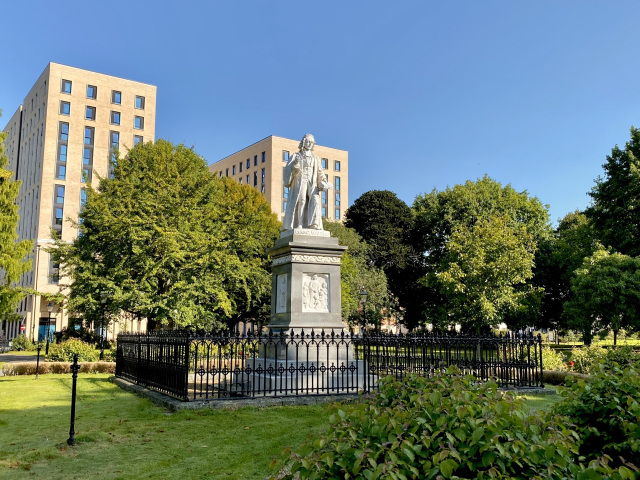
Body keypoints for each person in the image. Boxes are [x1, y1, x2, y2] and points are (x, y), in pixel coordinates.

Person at [282, 134, 332, 230]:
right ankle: (299, 224)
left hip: (312, 182)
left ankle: (314, 224)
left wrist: (324, 183)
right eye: (308, 141)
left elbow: (320, 172)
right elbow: (289, 170)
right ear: (303, 142)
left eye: (311, 142)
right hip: (300, 181)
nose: (309, 144)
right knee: (302, 201)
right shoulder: (296, 156)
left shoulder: (315, 158)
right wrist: (295, 163)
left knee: (315, 201)